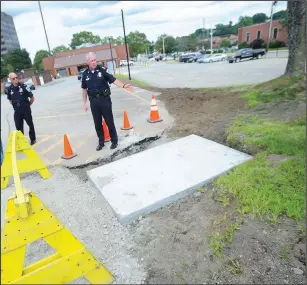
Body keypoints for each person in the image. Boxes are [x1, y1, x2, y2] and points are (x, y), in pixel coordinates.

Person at [81, 52, 133, 151]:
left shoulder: (102, 70)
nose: (94, 62)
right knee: (97, 123)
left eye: (95, 60)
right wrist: (85, 103)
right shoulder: (85, 74)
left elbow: (113, 80)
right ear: (88, 62)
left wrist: (123, 85)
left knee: (109, 121)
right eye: (92, 60)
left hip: (104, 100)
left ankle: (114, 141)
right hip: (93, 102)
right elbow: (84, 89)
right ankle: (101, 142)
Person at [6, 72, 36, 145]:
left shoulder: (24, 86)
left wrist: (27, 105)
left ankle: (33, 139)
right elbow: (10, 100)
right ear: (10, 80)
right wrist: (15, 106)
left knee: (30, 124)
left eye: (16, 77)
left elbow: (32, 98)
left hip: (26, 109)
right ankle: (22, 142)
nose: (16, 79)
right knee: (19, 128)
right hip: (17, 111)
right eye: (13, 78)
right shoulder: (9, 89)